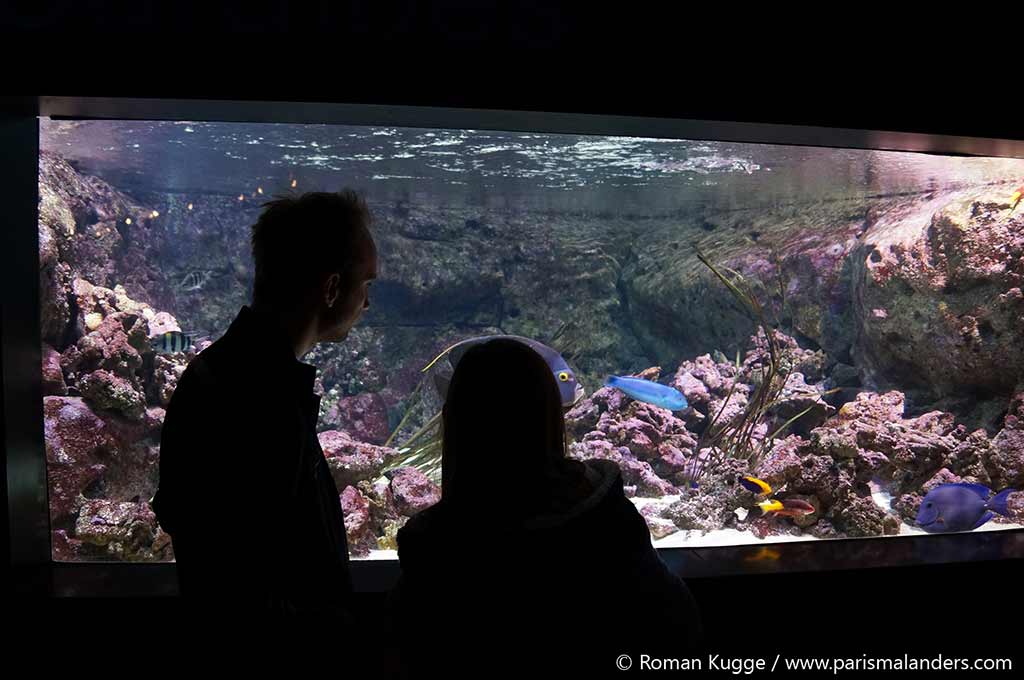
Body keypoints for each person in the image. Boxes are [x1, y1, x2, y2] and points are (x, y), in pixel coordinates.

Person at [388, 339, 702, 674]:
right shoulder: (607, 520)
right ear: (553, 415)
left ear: (453, 422)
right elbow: (678, 623)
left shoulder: (435, 551)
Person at [152, 190, 377, 629]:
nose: (367, 303)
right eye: (366, 284)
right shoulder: (255, 397)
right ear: (331, 287)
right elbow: (255, 588)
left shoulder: (229, 373)